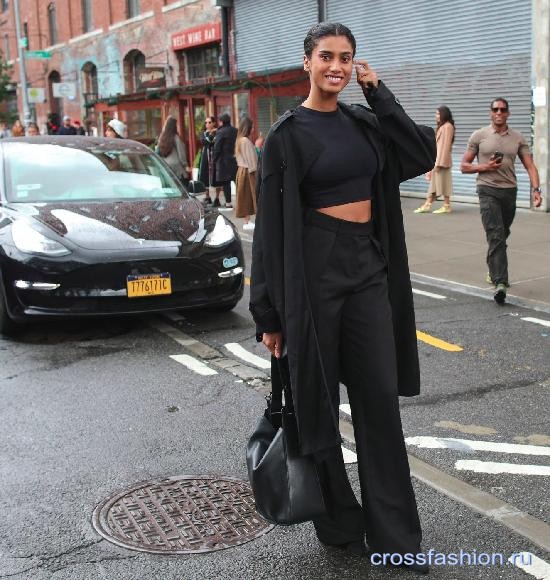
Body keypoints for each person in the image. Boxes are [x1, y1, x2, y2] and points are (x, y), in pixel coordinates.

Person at [250, 23, 435, 575]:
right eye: (326, 56)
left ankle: (397, 539)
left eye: (346, 58)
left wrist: (379, 93)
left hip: (367, 267)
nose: (336, 66)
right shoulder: (286, 135)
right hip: (314, 275)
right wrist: (268, 312)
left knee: (379, 402)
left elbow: (421, 152)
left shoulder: (363, 120)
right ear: (306, 62)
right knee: (318, 405)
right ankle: (337, 521)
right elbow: (268, 232)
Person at [460, 97, 542, 304]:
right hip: (487, 190)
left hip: (509, 192)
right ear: (490, 112)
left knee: (501, 234)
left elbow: (530, 166)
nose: (498, 112)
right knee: (496, 235)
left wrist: (536, 190)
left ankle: (493, 268)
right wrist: (485, 167)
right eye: (495, 109)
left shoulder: (517, 138)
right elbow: (464, 166)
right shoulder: (479, 135)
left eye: (502, 109)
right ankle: (501, 284)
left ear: (508, 113)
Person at [414, 106, 455, 214]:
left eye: (438, 114)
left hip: (441, 162)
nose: (436, 116)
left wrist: (436, 164)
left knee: (436, 185)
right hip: (441, 161)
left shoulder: (447, 127)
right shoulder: (444, 127)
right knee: (443, 184)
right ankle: (445, 205)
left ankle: (428, 205)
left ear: (444, 114)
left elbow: (444, 147)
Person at [234, 116, 257, 230]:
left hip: (241, 170)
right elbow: (252, 159)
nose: (253, 129)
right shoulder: (246, 141)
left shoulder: (239, 140)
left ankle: (247, 221)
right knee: (251, 195)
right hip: (248, 171)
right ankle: (248, 222)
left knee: (244, 196)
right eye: (252, 127)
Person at [156, 116, 190, 186]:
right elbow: (181, 153)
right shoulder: (176, 138)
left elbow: (157, 151)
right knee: (182, 186)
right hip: (177, 166)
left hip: (166, 165)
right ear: (174, 126)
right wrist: (185, 165)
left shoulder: (161, 138)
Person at [213, 113, 237, 209]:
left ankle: (228, 203)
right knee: (237, 181)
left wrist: (214, 159)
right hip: (235, 159)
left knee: (226, 183)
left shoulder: (220, 132)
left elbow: (217, 147)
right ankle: (242, 201)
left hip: (223, 161)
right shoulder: (235, 130)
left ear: (221, 122)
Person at [199, 116, 223, 205]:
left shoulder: (218, 132)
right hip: (206, 157)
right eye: (206, 122)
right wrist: (211, 135)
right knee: (205, 176)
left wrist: (212, 136)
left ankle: (217, 198)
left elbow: (216, 142)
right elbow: (204, 142)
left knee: (217, 177)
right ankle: (207, 196)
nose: (207, 124)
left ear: (214, 123)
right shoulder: (204, 133)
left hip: (215, 157)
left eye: (209, 122)